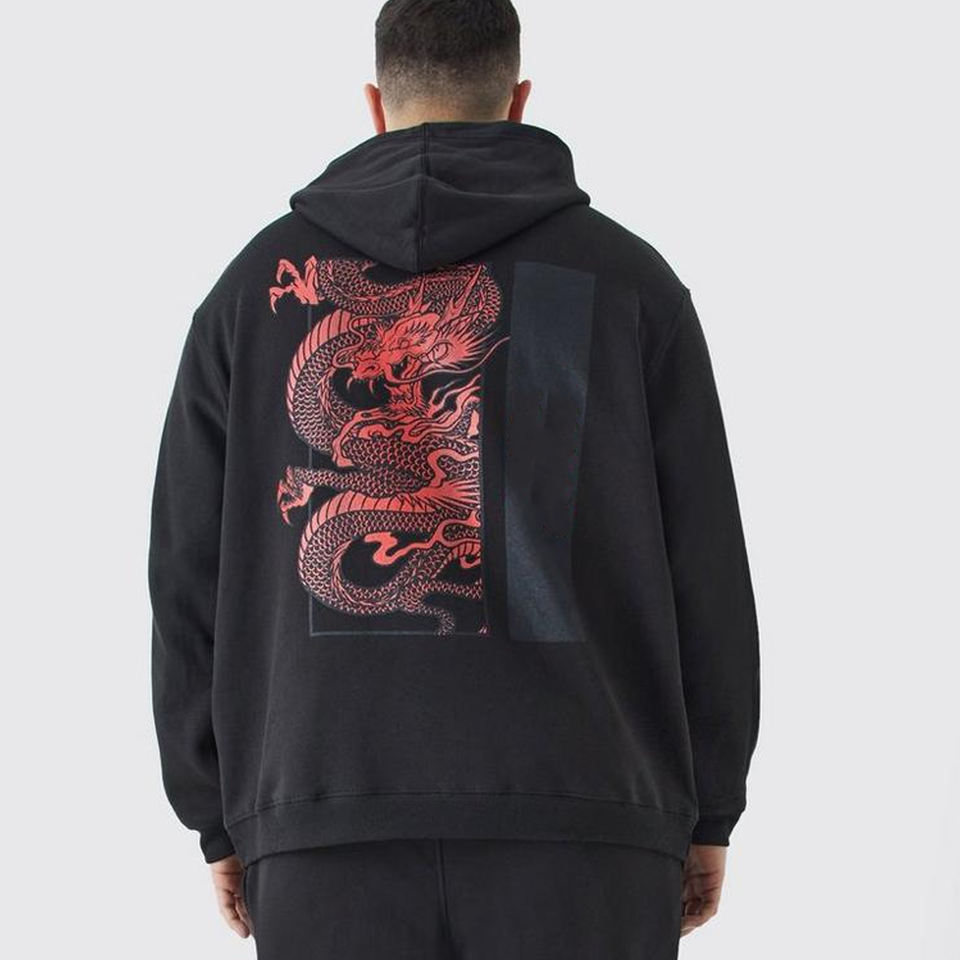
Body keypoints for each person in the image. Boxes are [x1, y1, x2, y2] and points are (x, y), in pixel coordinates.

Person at [148, 1, 760, 956]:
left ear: (375, 105)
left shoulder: (248, 294)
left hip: (321, 821)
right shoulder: (628, 283)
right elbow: (706, 569)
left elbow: (185, 576)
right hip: (587, 821)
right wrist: (711, 805)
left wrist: (220, 814)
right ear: (518, 99)